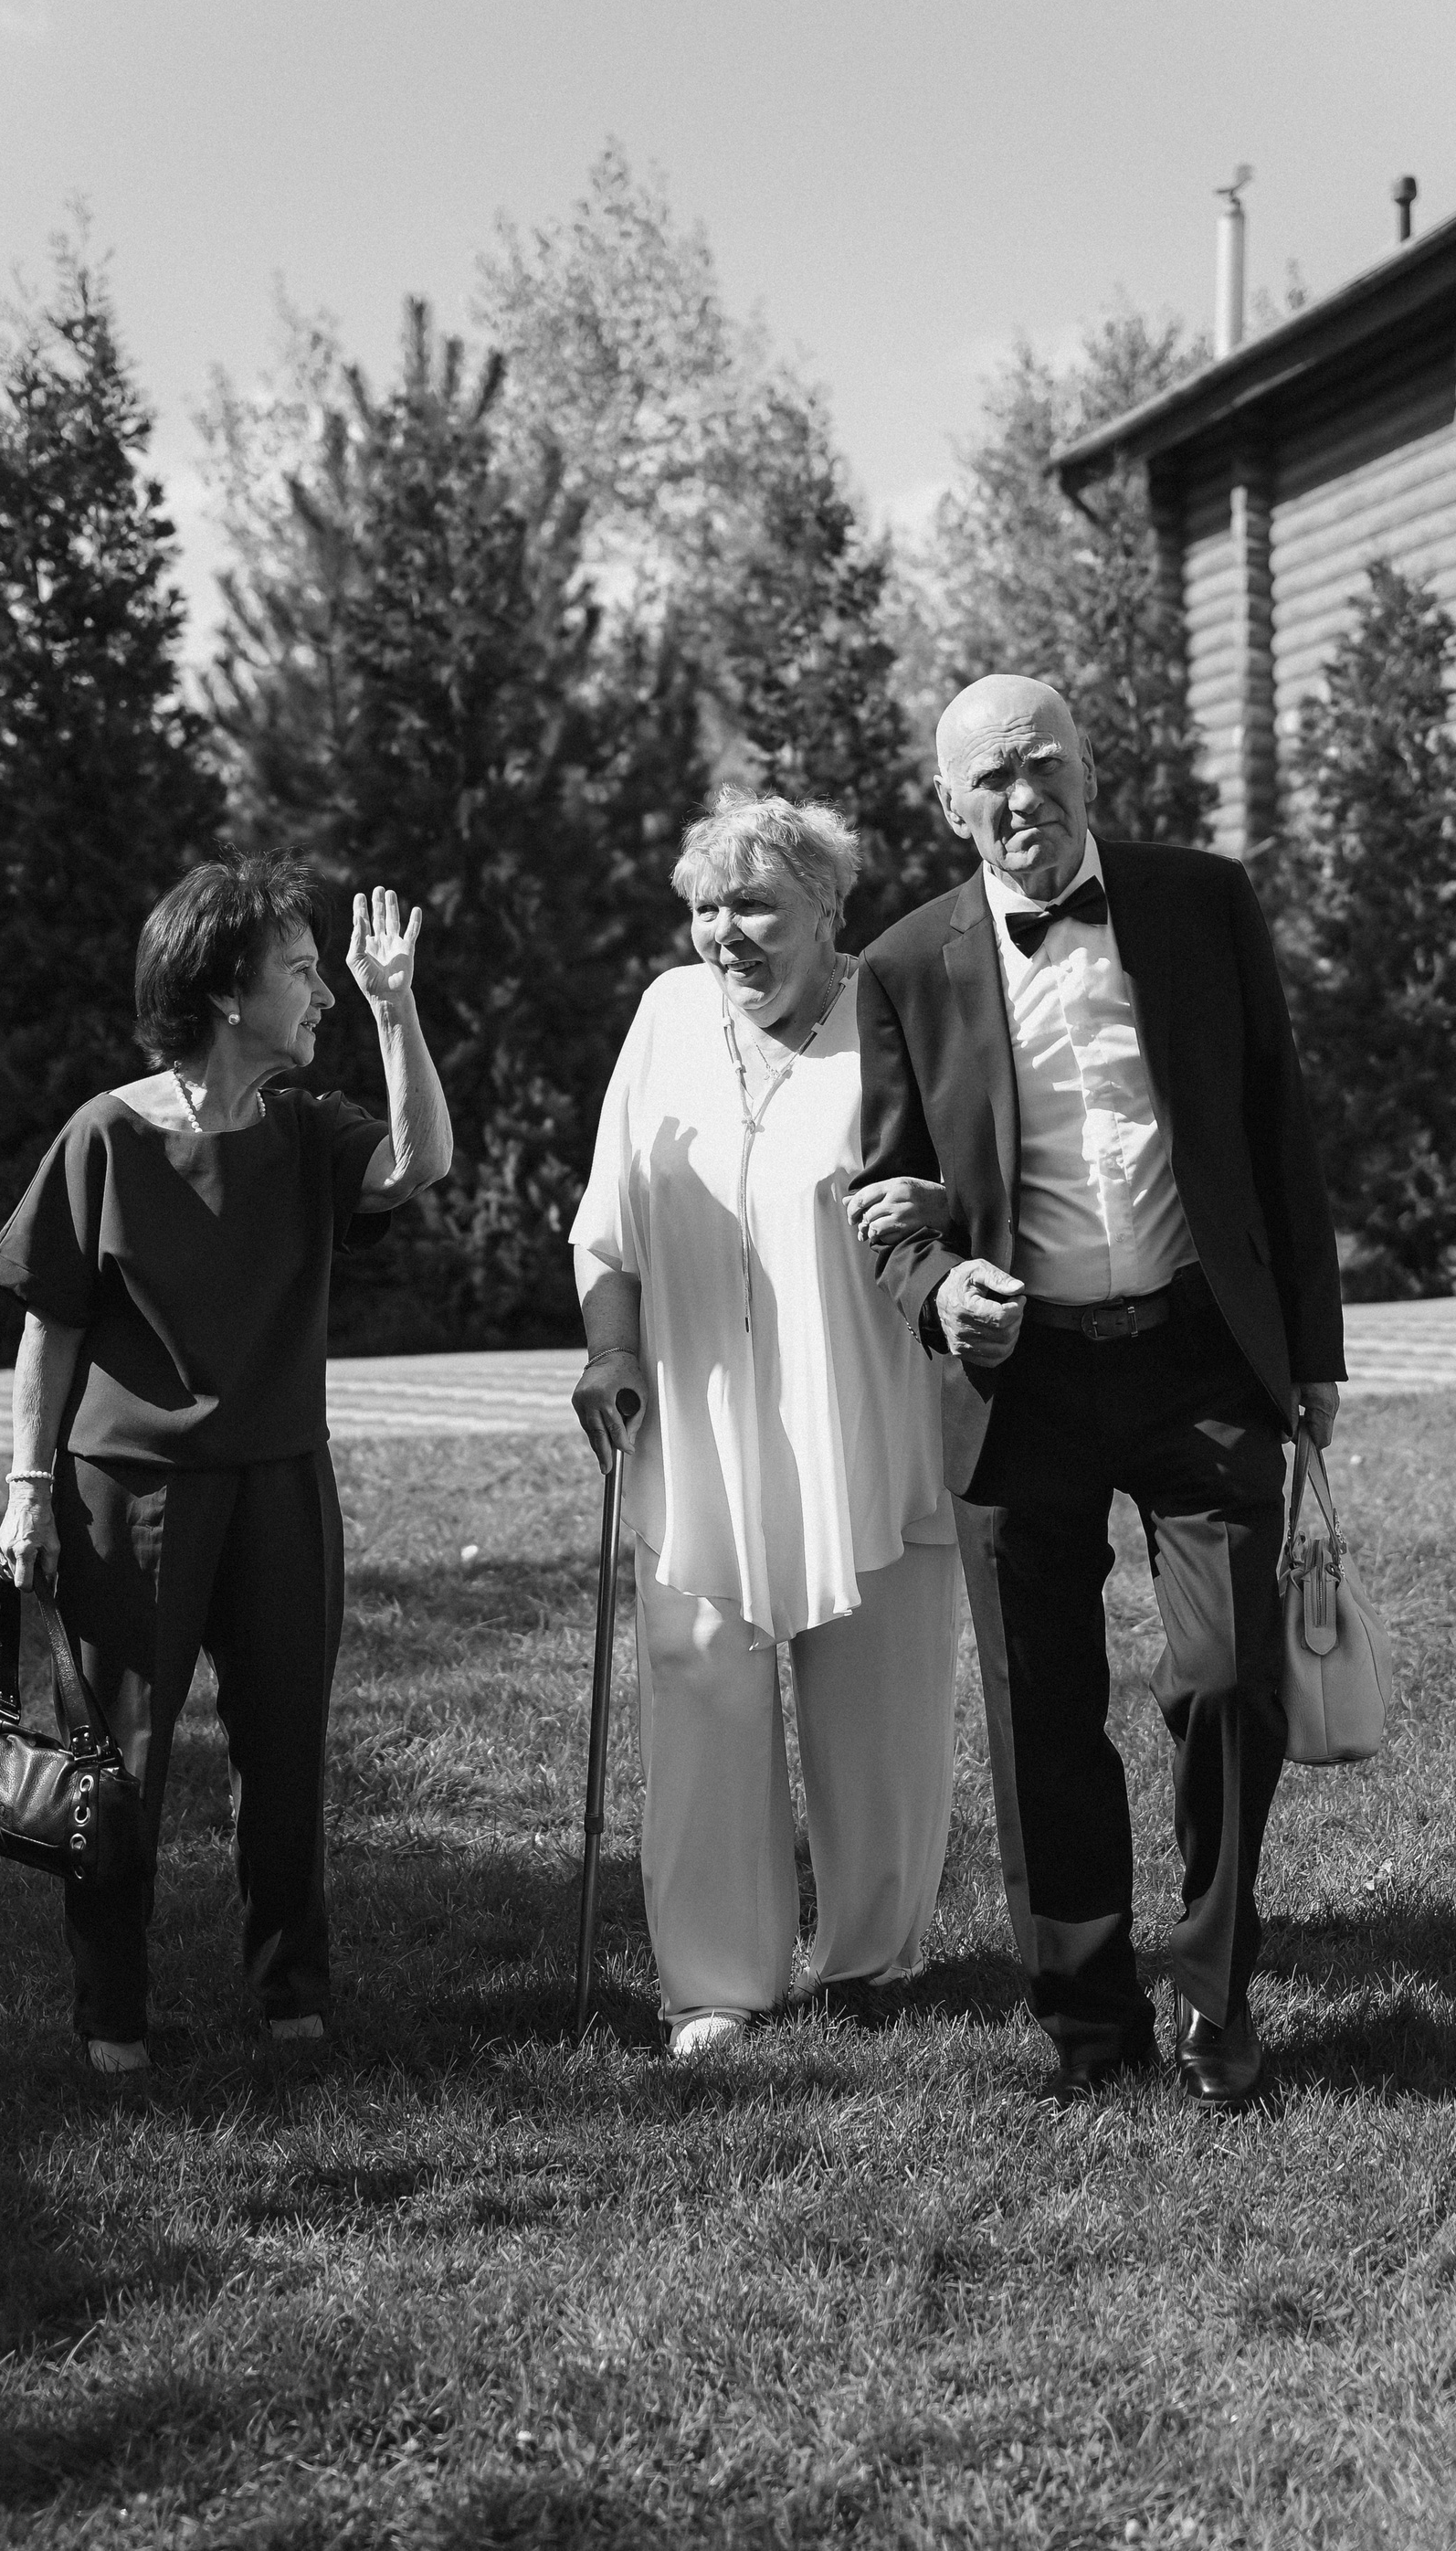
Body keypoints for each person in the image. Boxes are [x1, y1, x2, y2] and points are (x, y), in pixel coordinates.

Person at [856, 674, 1345, 2110]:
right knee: (1043, 1708)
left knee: (1230, 1678)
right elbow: (886, 1201)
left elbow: (1278, 1123)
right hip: (1024, 1385)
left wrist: (1312, 1350)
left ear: (1088, 765)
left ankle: (1217, 1990)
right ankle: (1089, 2021)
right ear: (948, 806)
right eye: (990, 779)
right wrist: (939, 1288)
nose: (1024, 797)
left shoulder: (1203, 901)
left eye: (1044, 762)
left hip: (1202, 1353)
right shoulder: (903, 964)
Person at [0, 852, 452, 2075]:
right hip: (126, 1493)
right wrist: (28, 1493)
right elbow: (49, 1323)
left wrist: (396, 1007)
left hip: (283, 1483)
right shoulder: (106, 1134)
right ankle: (112, 2022)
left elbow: (417, 1164)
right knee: (117, 1763)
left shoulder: (306, 1128)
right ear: (229, 991)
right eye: (302, 971)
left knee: (286, 1747)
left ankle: (293, 1998)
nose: (324, 993)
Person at [570, 790, 966, 2059]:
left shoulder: (892, 1005)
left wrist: (949, 1208)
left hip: (866, 1409)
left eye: (753, 905)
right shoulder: (667, 1014)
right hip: (697, 1422)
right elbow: (608, 1223)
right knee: (699, 1690)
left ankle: (871, 1961)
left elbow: (974, 1180)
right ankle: (715, 1984)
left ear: (826, 908)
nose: (723, 933)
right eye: (705, 907)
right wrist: (610, 1350)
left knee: (882, 1703)